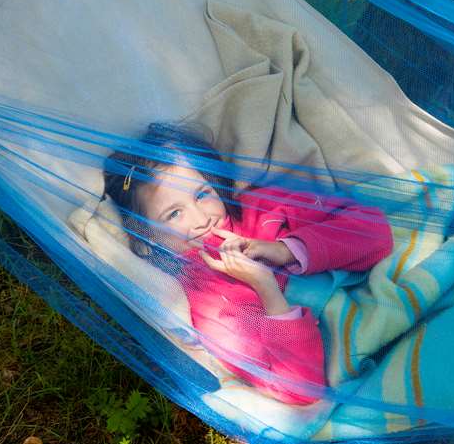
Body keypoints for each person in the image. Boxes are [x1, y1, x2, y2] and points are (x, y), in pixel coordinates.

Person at [103, 123, 393, 404]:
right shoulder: (207, 300)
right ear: (146, 238)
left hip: (383, 300)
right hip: (360, 358)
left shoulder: (263, 208)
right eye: (174, 214)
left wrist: (284, 250)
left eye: (203, 194)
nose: (202, 219)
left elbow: (375, 231)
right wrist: (266, 287)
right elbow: (301, 387)